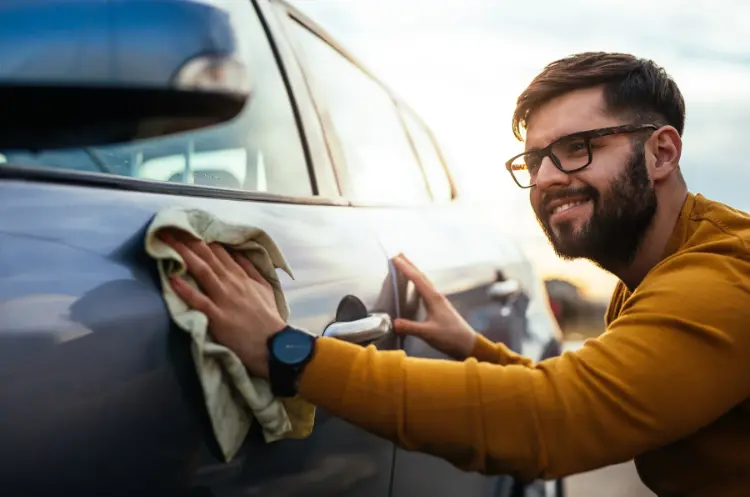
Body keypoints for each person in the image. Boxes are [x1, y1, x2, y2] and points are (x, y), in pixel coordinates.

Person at [159, 52, 750, 497]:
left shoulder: (725, 277)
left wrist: (286, 352)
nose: (545, 178)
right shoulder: (652, 271)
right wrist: (476, 349)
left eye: (576, 147)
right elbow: (606, 400)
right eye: (535, 159)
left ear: (663, 152)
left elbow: (557, 421)